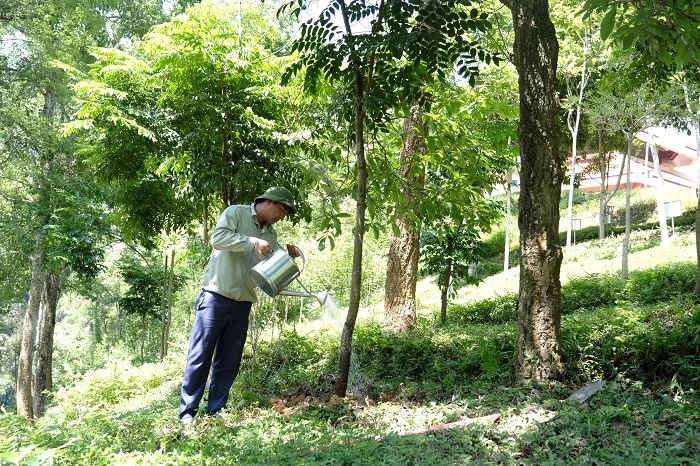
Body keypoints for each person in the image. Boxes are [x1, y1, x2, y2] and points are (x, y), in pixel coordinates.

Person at [179, 186, 300, 424]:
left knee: (230, 359)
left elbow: (270, 264)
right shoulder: (235, 213)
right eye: (281, 209)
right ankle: (187, 413)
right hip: (216, 294)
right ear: (267, 201)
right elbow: (218, 239)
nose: (281, 216)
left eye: (285, 213)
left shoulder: (271, 235)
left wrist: (289, 256)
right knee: (200, 355)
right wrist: (251, 241)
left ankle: (215, 410)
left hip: (243, 300)